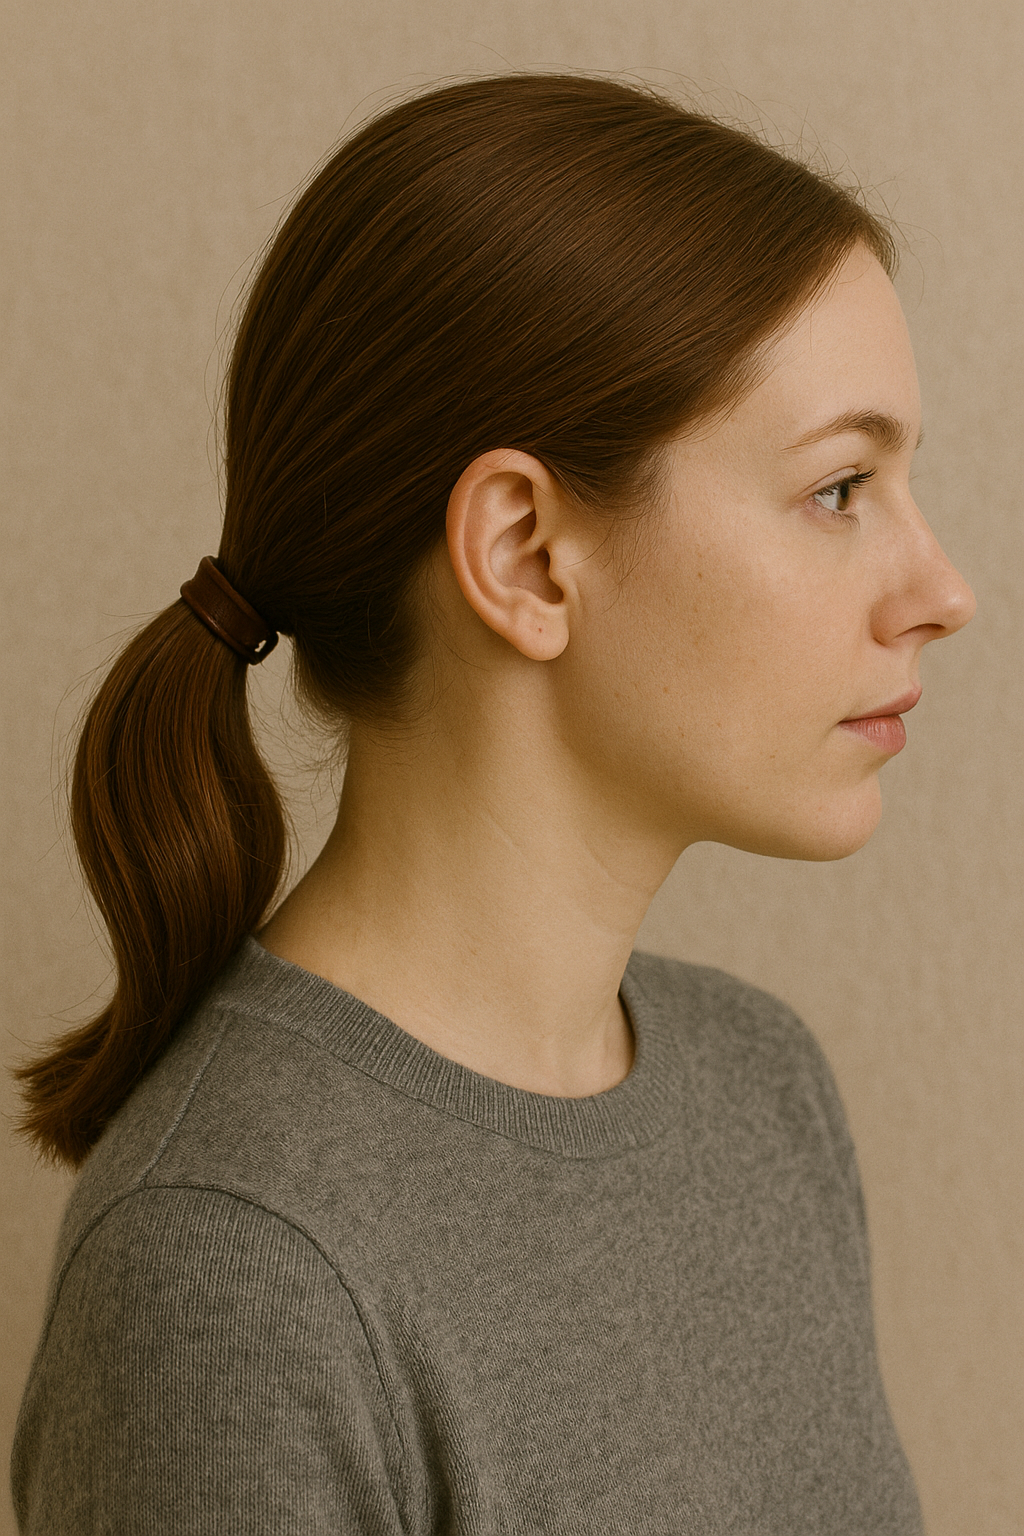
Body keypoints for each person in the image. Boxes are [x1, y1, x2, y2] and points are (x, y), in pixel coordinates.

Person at [11, 72, 974, 1534]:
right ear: (524, 554)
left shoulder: (762, 1089)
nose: (943, 591)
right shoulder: (224, 1278)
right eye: (841, 487)